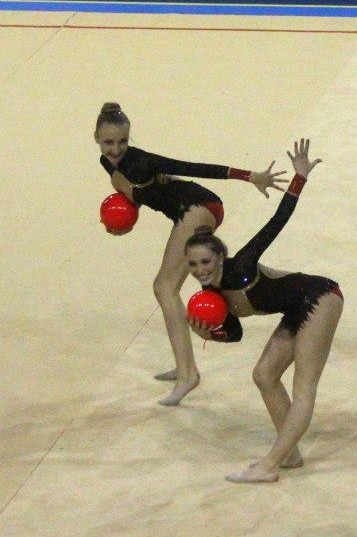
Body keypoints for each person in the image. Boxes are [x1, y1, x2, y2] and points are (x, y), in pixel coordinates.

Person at [95, 102, 285, 406]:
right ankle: (184, 368)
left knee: (164, 287)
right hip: (187, 210)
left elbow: (191, 167)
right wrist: (119, 224)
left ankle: (188, 374)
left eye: (123, 141)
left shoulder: (140, 161)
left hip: (197, 206)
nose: (116, 149)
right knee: (166, 288)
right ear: (97, 139)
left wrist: (250, 176)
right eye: (108, 142)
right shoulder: (107, 163)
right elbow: (139, 200)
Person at [184, 139, 342, 483]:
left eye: (206, 262)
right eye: (193, 265)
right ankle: (290, 454)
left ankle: (269, 465)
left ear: (220, 257)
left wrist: (300, 177)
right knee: (264, 375)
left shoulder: (241, 265)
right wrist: (209, 332)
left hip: (320, 297)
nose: (200, 270)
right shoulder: (211, 295)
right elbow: (235, 333)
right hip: (294, 310)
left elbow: (276, 222)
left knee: (303, 387)